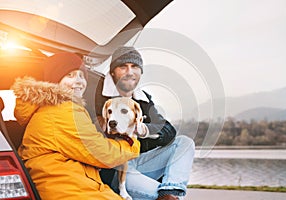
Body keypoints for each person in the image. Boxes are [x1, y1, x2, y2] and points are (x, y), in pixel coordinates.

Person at [12, 52, 140, 200]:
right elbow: (103, 154)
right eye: (70, 75)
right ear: (54, 81)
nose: (79, 81)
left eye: (81, 75)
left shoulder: (50, 110)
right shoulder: (63, 110)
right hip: (72, 191)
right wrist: (131, 144)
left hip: (70, 188)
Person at [93, 46, 195, 200]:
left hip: (139, 161)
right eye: (123, 66)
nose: (129, 72)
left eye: (134, 66)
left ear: (140, 72)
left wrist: (143, 129)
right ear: (113, 71)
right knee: (160, 197)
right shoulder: (96, 94)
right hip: (116, 170)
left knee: (185, 143)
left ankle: (171, 190)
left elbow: (168, 131)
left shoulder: (143, 99)